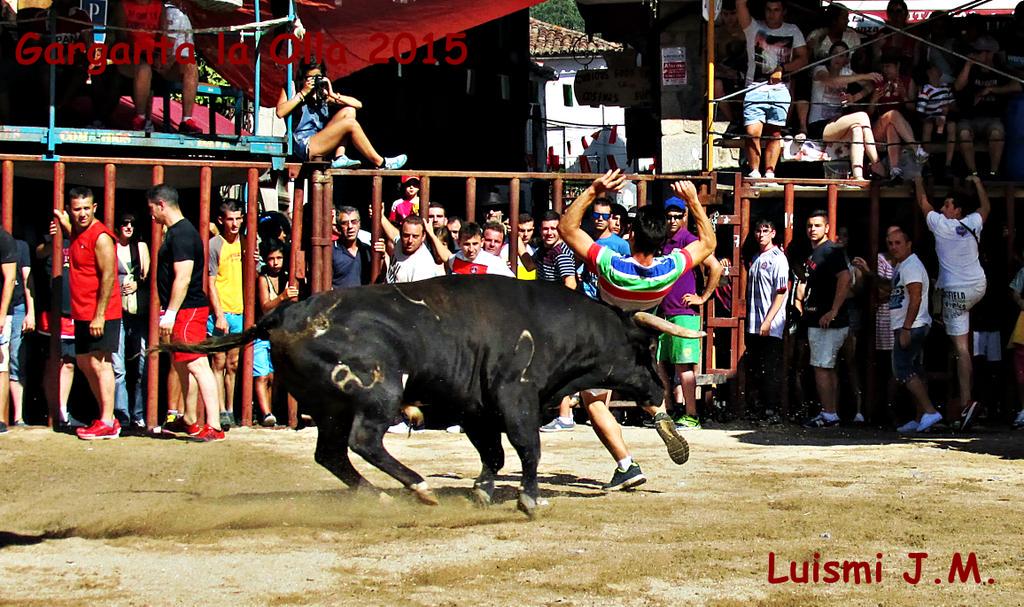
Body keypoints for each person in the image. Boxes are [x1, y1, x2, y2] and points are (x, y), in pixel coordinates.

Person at [558, 170, 716, 489]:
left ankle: (626, 464)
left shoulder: (611, 264)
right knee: (641, 383)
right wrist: (693, 203)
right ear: (662, 241)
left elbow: (567, 228)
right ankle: (658, 412)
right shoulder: (668, 268)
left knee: (595, 403)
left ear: (630, 234)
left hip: (605, 340)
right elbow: (709, 243)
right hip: (642, 341)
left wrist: (594, 189)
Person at [148, 184, 224, 441]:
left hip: (188, 309)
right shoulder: (176, 232)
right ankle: (190, 419)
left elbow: (183, 277)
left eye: (152, 210)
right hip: (182, 309)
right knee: (182, 363)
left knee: (199, 364)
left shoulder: (181, 234)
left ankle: (214, 425)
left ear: (161, 205)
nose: (152, 216)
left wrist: (169, 313)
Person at [914, 175, 989, 430]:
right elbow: (985, 208)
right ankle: (967, 403)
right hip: (978, 286)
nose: (942, 209)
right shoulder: (972, 223)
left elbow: (923, 202)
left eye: (947, 205)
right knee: (965, 348)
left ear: (956, 210)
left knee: (959, 349)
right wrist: (978, 183)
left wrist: (917, 180)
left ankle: (966, 400)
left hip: (955, 292)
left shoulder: (940, 225)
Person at [56, 188, 122, 440]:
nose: (82, 213)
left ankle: (107, 420)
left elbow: (108, 276)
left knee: (100, 362)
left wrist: (100, 315)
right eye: (76, 209)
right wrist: (66, 227)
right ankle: (108, 417)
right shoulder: (78, 233)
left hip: (100, 312)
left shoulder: (102, 236)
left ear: (95, 208)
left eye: (86, 208)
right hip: (82, 311)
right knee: (84, 360)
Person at [656, 197, 724, 430]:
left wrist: (703, 297)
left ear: (685, 216)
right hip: (664, 312)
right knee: (662, 365)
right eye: (669, 216)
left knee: (684, 367)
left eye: (677, 216)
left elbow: (715, 267)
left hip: (684, 312)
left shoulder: (689, 240)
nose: (673, 220)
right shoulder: (663, 241)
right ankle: (669, 412)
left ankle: (692, 415)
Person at [275, 58, 407, 170]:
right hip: (302, 145)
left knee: (349, 111)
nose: (314, 82)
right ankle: (381, 162)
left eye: (318, 77)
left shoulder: (322, 94)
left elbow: (358, 104)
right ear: (303, 77)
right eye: (310, 78)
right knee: (350, 124)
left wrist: (332, 95)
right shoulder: (291, 88)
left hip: (322, 141)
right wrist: (303, 93)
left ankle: (340, 157)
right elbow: (280, 112)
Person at [736, 0, 808, 180]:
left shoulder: (792, 30)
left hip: (780, 87)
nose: (771, 14)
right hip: (755, 85)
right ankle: (754, 171)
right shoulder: (753, 27)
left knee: (775, 132)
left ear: (783, 11)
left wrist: (783, 69)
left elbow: (803, 59)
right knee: (753, 131)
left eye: (776, 10)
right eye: (768, 10)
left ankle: (769, 172)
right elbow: (740, 6)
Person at [798, 211, 851, 428]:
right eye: (810, 225)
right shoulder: (815, 254)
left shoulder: (831, 251)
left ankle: (829, 414)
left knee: (821, 367)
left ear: (827, 228)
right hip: (818, 319)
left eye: (818, 225)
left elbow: (846, 278)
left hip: (828, 321)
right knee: (826, 368)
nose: (813, 229)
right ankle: (830, 412)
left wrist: (833, 311)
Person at [887, 227, 942, 433]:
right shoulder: (903, 265)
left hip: (913, 325)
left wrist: (906, 328)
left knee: (902, 368)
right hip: (910, 324)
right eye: (890, 243)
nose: (894, 247)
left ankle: (929, 411)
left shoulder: (911, 266)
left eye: (898, 243)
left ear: (909, 244)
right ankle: (921, 418)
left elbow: (916, 296)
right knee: (915, 371)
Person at [808, 42, 886, 181]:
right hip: (818, 125)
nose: (839, 58)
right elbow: (833, 81)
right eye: (836, 54)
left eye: (843, 55)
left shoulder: (846, 72)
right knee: (861, 116)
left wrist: (855, 97)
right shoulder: (820, 70)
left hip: (837, 124)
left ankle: (858, 176)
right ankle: (876, 163)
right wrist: (864, 76)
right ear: (830, 56)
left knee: (857, 128)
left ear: (846, 60)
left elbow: (869, 86)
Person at [954, 37, 1022, 178]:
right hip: (969, 118)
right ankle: (973, 172)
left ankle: (993, 172)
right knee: (964, 134)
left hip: (992, 118)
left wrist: (992, 89)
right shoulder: (970, 70)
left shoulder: (1000, 70)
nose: (976, 54)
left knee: (997, 134)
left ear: (990, 54)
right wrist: (968, 65)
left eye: (980, 52)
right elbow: (957, 86)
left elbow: (1018, 85)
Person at [745, 218, 788, 423]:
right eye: (758, 230)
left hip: (769, 324)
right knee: (757, 369)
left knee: (770, 369)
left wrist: (768, 321)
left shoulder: (778, 258)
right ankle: (761, 409)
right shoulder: (756, 257)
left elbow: (781, 292)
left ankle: (772, 411)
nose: (761, 234)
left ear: (773, 233)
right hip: (753, 323)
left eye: (765, 230)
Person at [208, 200, 244, 430]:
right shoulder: (214, 245)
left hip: (239, 311)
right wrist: (219, 314)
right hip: (222, 312)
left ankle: (230, 408)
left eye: (238, 219)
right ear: (221, 220)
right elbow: (210, 282)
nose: (235, 224)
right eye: (230, 219)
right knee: (218, 362)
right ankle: (220, 409)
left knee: (233, 363)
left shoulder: (247, 242)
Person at [255, 238, 297, 427]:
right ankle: (265, 413)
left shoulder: (288, 277)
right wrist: (282, 297)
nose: (276, 263)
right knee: (263, 375)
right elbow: (265, 307)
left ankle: (272, 412)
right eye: (271, 259)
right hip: (263, 333)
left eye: (279, 258)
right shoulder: (262, 279)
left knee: (275, 376)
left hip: (280, 334)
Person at [113, 213, 149, 432]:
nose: (128, 227)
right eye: (124, 223)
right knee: (118, 366)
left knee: (141, 364)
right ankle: (122, 413)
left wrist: (138, 284)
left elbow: (148, 276)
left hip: (138, 311)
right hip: (117, 311)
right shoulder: (111, 246)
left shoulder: (141, 247)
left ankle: (138, 414)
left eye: (132, 223)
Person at [870, 51, 927, 184]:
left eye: (888, 66)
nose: (886, 70)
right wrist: (874, 99)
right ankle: (916, 149)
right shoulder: (879, 82)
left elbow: (913, 110)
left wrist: (904, 96)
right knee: (892, 114)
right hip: (878, 129)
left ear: (897, 66)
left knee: (892, 126)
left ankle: (894, 169)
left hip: (902, 129)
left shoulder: (907, 81)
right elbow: (869, 112)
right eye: (884, 67)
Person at [112, 0, 163, 132]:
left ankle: (146, 119)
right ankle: (141, 118)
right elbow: (122, 37)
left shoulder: (159, 6)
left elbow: (163, 37)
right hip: (129, 55)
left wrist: (158, 55)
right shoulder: (123, 5)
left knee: (149, 70)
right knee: (143, 68)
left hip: (153, 56)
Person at [156, 0, 200, 133]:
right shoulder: (173, 12)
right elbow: (168, 48)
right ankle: (186, 119)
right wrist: (161, 68)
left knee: (190, 65)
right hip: (164, 66)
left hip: (175, 66)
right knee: (190, 65)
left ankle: (187, 120)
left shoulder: (184, 13)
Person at [6, 237, 33, 427]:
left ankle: (18, 416)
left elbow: (27, 280)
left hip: (17, 306)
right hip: (7, 305)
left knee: (15, 359)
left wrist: (30, 312)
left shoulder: (20, 245)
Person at [375, 214, 446, 284]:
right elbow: (393, 234)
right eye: (406, 235)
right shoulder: (401, 242)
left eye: (415, 236)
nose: (410, 240)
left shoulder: (423, 268)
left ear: (423, 236)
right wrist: (381, 216)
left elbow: (418, 295)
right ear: (401, 234)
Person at [916, 62, 957, 176]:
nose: (939, 70)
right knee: (928, 126)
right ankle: (926, 163)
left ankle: (948, 164)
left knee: (952, 125)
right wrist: (933, 118)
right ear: (929, 72)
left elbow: (954, 105)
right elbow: (920, 112)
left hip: (945, 118)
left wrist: (948, 108)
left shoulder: (946, 87)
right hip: (930, 119)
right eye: (935, 68)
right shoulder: (925, 90)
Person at [444, 223, 514, 276]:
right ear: (458, 243)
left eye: (475, 244)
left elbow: (512, 284)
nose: (471, 249)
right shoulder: (454, 259)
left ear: (482, 242)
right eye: (466, 244)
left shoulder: (495, 263)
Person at [332, 206, 373, 287]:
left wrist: (382, 256)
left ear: (359, 224)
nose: (350, 227)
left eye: (354, 222)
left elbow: (380, 278)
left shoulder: (367, 250)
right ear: (338, 227)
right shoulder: (332, 251)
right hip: (339, 299)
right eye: (344, 223)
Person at [0, 227, 16, 433]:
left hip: (1, 310)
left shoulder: (3, 239)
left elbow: (10, 279)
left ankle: (0, 419)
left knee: (1, 365)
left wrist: (1, 315)